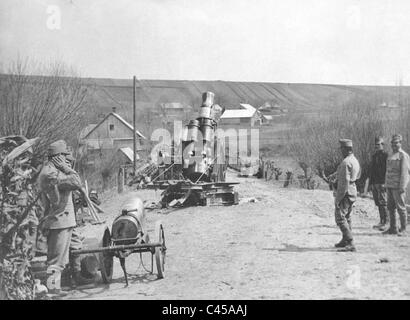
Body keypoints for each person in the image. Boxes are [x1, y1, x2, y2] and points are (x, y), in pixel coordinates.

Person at [38, 140, 91, 295]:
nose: (67, 160)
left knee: (74, 247)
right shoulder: (51, 173)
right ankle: (53, 291)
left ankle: (74, 278)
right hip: (58, 222)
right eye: (64, 156)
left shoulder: (53, 169)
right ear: (58, 157)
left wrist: (64, 166)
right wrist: (65, 167)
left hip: (65, 220)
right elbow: (76, 181)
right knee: (56, 261)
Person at [334, 139, 361, 252]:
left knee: (340, 218)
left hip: (346, 193)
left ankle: (350, 242)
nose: (341, 151)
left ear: (346, 149)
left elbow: (344, 183)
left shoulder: (346, 162)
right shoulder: (354, 160)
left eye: (342, 149)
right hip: (352, 190)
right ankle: (345, 239)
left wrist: (338, 198)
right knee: (347, 217)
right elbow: (358, 175)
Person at [383, 134, 410, 236]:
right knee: (390, 207)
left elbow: (404, 173)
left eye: (396, 142)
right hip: (390, 185)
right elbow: (387, 171)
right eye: (392, 143)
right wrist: (386, 184)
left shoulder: (403, 155)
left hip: (398, 186)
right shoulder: (390, 155)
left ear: (400, 143)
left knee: (401, 207)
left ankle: (403, 229)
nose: (394, 144)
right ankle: (393, 228)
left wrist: (402, 186)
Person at [369, 136, 389, 230]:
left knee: (383, 202)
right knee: (378, 203)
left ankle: (386, 222)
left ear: (382, 145)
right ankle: (381, 221)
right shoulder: (374, 156)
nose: (377, 146)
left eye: (379, 144)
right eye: (375, 145)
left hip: (382, 182)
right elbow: (372, 170)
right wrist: (371, 183)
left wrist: (386, 182)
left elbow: (388, 170)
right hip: (375, 183)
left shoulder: (386, 156)